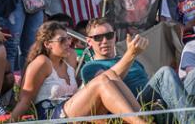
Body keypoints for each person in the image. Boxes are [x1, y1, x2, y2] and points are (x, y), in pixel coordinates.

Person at [11, 22, 147, 122]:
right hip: (53, 116)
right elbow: (25, 99)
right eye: (62, 40)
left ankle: (144, 118)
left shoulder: (69, 57)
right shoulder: (42, 62)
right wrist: (11, 120)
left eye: (68, 38)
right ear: (47, 44)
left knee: (109, 75)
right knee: (102, 79)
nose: (68, 43)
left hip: (74, 110)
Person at [81, 18, 195, 123]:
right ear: (89, 41)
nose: (104, 41)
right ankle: (194, 121)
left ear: (115, 36)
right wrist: (130, 54)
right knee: (165, 72)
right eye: (98, 37)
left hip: (156, 101)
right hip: (134, 105)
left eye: (109, 36)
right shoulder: (90, 67)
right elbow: (108, 82)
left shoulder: (131, 60)